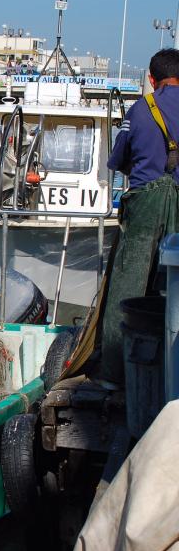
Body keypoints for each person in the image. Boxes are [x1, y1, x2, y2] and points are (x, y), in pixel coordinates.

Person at [99, 48, 179, 385]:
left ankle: (114, 371)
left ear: (151, 78)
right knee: (171, 287)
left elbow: (118, 159)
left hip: (145, 204)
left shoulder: (141, 108)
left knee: (128, 284)